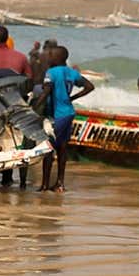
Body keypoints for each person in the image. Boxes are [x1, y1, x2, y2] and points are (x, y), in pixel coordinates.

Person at [40, 44, 94, 191]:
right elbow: (90, 86)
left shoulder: (51, 72)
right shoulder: (72, 73)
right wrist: (72, 98)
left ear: (57, 58)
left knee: (48, 148)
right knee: (62, 148)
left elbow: (46, 92)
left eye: (50, 55)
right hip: (68, 113)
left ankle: (45, 185)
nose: (48, 57)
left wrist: (32, 108)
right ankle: (60, 183)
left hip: (56, 115)